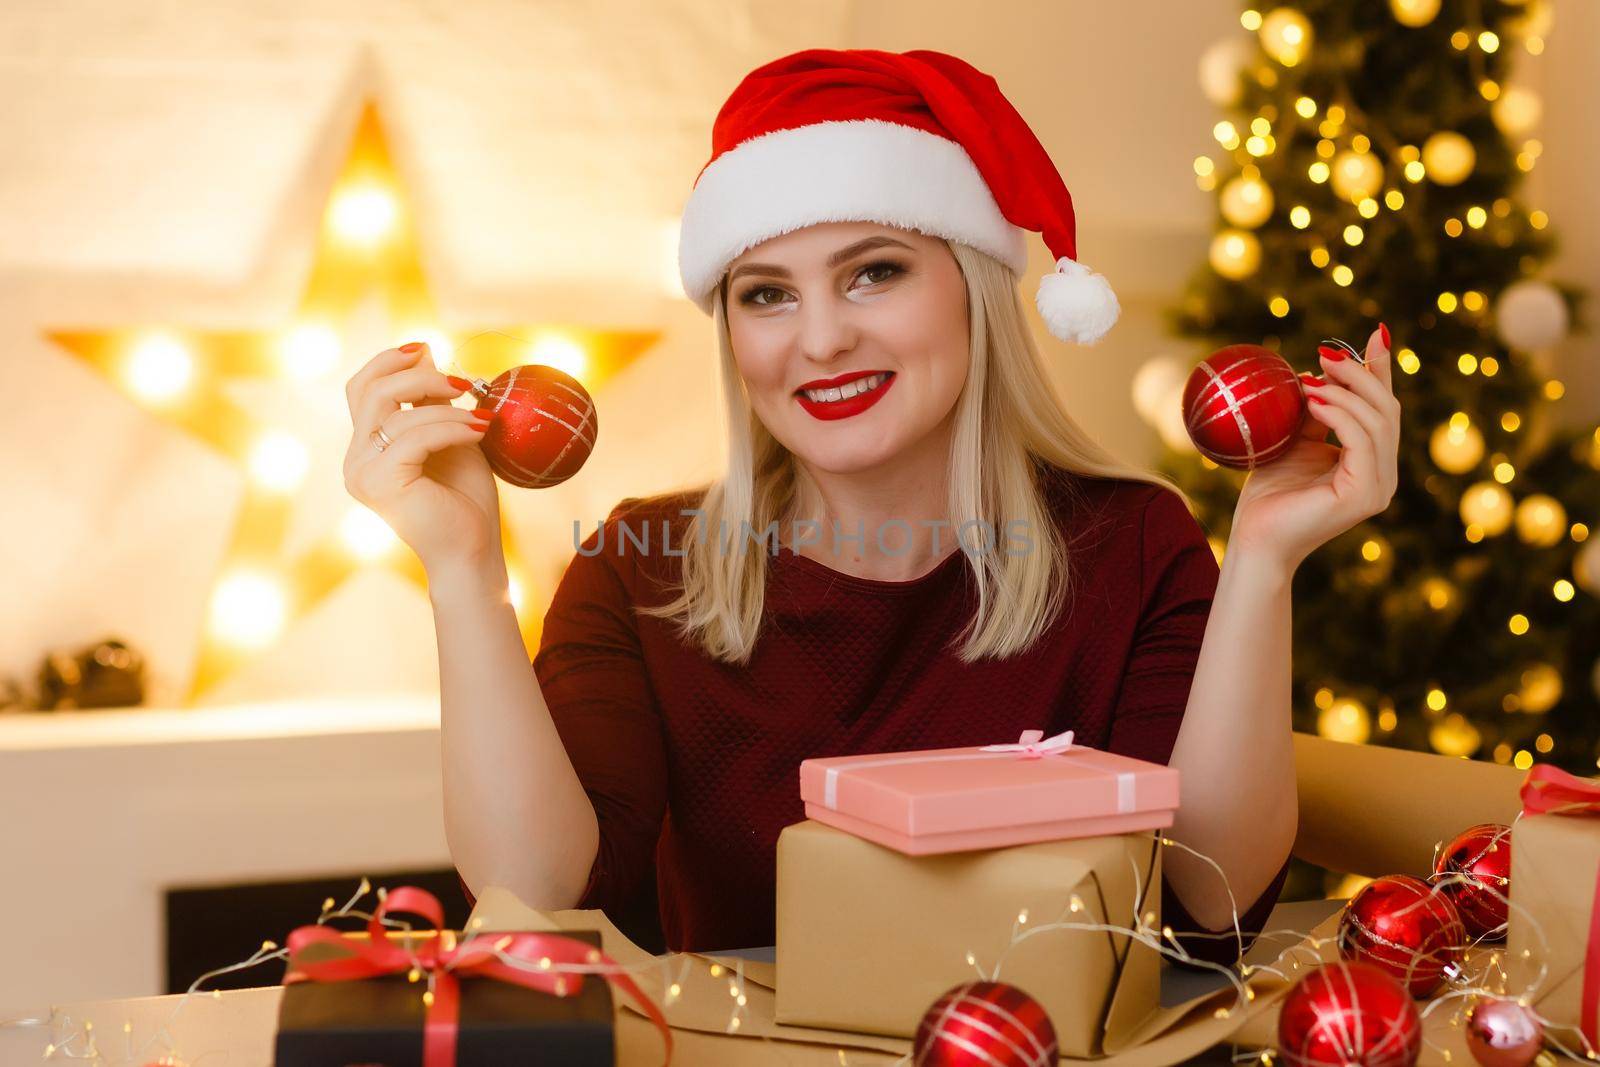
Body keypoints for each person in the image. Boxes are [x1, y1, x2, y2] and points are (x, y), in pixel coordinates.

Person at [342, 48, 1401, 966]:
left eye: (872, 273)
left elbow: (1205, 901)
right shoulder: (639, 566)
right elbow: (534, 888)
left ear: (973, 287)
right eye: (766, 292)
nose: (819, 340)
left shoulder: (1130, 545)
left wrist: (1261, 561)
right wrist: (464, 573)